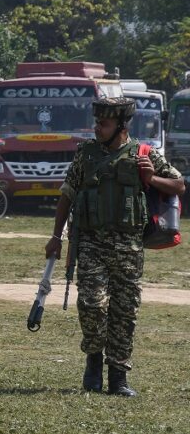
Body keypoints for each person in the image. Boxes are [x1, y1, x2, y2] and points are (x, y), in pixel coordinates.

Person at [44, 97, 184, 396]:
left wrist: (151, 177)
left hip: (129, 248)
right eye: (96, 122)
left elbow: (179, 185)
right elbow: (67, 195)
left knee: (125, 313)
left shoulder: (143, 153)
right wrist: (56, 237)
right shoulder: (86, 154)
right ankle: (93, 362)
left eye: (103, 124)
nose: (97, 128)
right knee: (91, 306)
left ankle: (118, 377)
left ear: (121, 126)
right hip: (91, 243)